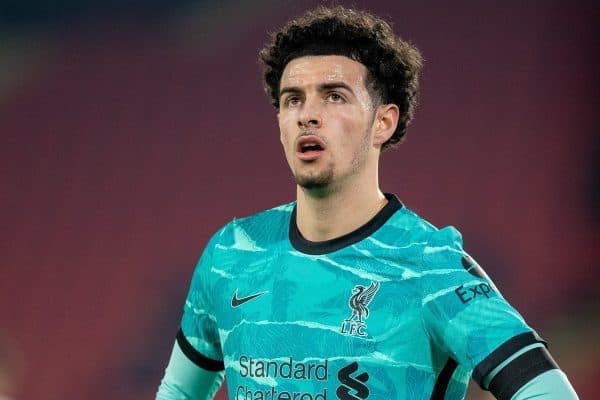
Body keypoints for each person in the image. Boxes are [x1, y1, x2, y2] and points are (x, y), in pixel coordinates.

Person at [156, 5, 579, 400]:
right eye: (293, 99)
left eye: (334, 96)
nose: (308, 114)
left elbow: (548, 391)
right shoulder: (232, 252)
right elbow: (177, 391)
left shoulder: (430, 265)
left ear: (383, 122)